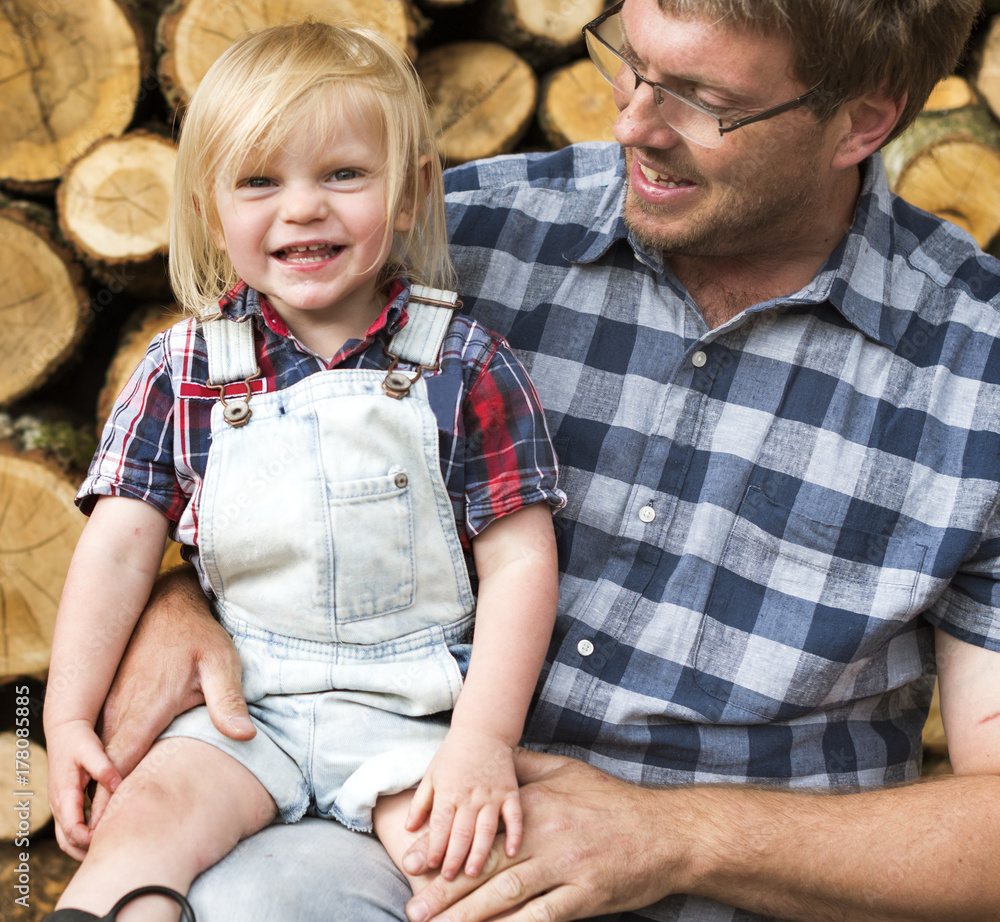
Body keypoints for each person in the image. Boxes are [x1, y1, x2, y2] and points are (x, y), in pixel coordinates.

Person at [91, 0, 1000, 920]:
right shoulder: (443, 242)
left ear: (863, 121)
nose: (633, 122)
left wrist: (679, 838)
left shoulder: (978, 369)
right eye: (630, 62)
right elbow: (248, 448)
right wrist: (183, 597)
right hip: (405, 831)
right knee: (257, 899)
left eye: (702, 97)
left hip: (744, 894)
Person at [41, 21, 564, 922]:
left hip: (410, 723)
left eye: (343, 175)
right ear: (210, 210)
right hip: (246, 711)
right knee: (149, 818)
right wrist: (63, 718)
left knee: (465, 871)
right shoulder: (183, 370)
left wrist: (483, 742)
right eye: (259, 181)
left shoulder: (466, 365)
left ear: (408, 196)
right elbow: (119, 551)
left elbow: (519, 562)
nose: (303, 208)